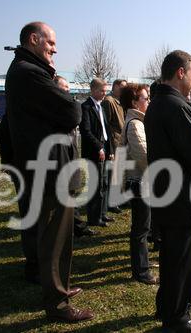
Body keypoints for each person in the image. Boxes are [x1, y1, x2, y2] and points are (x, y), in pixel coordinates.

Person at [5, 21, 93, 322]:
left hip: (50, 168)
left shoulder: (27, 72)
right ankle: (58, 303)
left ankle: (60, 289)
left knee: (55, 236)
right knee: (55, 239)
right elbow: (72, 112)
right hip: (51, 171)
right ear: (34, 39)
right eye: (51, 43)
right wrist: (69, 103)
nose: (55, 49)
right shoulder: (28, 74)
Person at [144, 50, 191, 332]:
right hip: (183, 196)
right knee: (183, 261)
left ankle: (167, 307)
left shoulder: (158, 103)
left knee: (171, 257)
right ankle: (177, 319)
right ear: (180, 73)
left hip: (168, 194)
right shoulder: (175, 105)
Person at [119, 83, 159, 284]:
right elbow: (143, 157)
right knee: (141, 229)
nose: (149, 101)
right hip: (140, 181)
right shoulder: (135, 124)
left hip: (140, 181)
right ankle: (141, 271)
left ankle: (142, 263)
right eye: (145, 98)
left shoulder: (137, 122)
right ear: (134, 102)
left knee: (144, 226)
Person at [54, 75, 97, 238]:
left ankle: (76, 226)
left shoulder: (66, 106)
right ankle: (73, 228)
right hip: (58, 160)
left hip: (70, 157)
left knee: (71, 195)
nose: (67, 90)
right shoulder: (55, 108)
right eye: (64, 87)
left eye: (68, 87)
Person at [80, 78, 115, 227]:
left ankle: (102, 213)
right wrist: (99, 147)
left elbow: (107, 130)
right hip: (93, 152)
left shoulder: (102, 107)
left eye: (105, 90)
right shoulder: (86, 107)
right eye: (102, 90)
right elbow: (86, 131)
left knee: (105, 183)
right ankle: (94, 218)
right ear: (93, 90)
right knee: (96, 185)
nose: (104, 93)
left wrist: (110, 149)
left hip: (105, 149)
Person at [102, 79, 127, 213]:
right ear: (115, 87)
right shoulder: (109, 101)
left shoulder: (119, 101)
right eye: (122, 87)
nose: (124, 90)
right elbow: (106, 125)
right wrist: (110, 146)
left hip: (120, 141)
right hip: (114, 142)